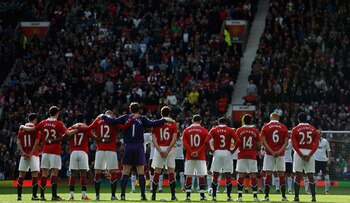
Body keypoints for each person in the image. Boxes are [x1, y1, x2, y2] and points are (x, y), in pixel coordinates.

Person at [102, 102, 172, 200]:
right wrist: (164, 120)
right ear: (139, 110)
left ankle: (122, 195)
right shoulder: (142, 118)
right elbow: (153, 123)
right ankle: (142, 195)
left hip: (129, 146)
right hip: (139, 147)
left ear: (130, 109)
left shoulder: (125, 118)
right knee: (141, 172)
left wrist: (103, 116)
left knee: (126, 171)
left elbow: (113, 121)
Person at [20, 106, 78, 201]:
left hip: (45, 152)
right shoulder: (59, 123)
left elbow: (32, 130)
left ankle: (42, 196)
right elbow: (69, 134)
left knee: (44, 174)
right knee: (54, 173)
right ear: (57, 113)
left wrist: (22, 126)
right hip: (55, 152)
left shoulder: (43, 122)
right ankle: (54, 195)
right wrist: (78, 129)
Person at [77, 110, 137, 200]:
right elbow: (123, 127)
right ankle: (113, 196)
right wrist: (133, 119)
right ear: (111, 115)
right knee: (113, 173)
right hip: (111, 150)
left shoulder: (98, 120)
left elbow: (88, 128)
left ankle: (97, 196)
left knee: (97, 172)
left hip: (100, 150)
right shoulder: (113, 121)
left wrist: (77, 127)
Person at [66, 113, 105, 200]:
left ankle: (71, 196)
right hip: (83, 152)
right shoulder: (86, 128)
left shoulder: (72, 127)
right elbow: (94, 137)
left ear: (76, 119)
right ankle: (83, 196)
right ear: (83, 120)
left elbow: (65, 135)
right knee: (83, 174)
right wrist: (102, 139)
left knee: (72, 174)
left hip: (73, 152)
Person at [151, 106, 178, 200]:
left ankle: (153, 196)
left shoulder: (156, 124)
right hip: (170, 149)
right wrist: (167, 150)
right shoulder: (173, 124)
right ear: (169, 114)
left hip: (159, 148)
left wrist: (160, 150)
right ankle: (173, 196)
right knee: (171, 172)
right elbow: (174, 139)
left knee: (157, 171)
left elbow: (154, 139)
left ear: (161, 114)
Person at [260, 112, 289, 201]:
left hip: (269, 154)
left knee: (268, 174)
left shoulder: (265, 127)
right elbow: (286, 142)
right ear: (278, 118)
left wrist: (271, 151)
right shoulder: (284, 127)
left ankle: (266, 196)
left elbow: (263, 141)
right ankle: (283, 196)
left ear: (270, 117)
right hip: (280, 154)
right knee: (281, 174)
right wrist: (279, 151)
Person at [291, 112, 319, 202]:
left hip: (299, 153)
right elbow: (316, 144)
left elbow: (294, 144)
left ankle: (296, 197)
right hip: (310, 152)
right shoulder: (313, 129)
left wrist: (300, 154)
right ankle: (313, 197)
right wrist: (310, 154)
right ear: (306, 119)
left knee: (298, 175)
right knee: (310, 175)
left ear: (298, 119)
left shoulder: (295, 129)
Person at [207, 117, 236, 201]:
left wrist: (211, 151)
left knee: (215, 175)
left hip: (217, 152)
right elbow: (238, 140)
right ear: (226, 122)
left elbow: (206, 141)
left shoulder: (214, 130)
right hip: (227, 152)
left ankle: (214, 197)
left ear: (218, 122)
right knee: (228, 176)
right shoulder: (230, 130)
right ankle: (228, 197)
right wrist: (233, 150)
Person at [234, 114, 261, 202]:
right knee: (253, 175)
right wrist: (255, 149)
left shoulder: (239, 130)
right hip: (252, 155)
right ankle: (255, 197)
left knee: (241, 175)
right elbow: (259, 145)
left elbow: (236, 142)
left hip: (241, 154)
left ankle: (240, 197)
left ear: (243, 121)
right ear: (251, 121)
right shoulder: (255, 131)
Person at [182, 114, 209, 201]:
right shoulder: (204, 130)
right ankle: (202, 196)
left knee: (189, 176)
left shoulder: (186, 130)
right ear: (200, 121)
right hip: (200, 156)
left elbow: (184, 143)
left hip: (189, 156)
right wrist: (198, 152)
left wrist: (191, 151)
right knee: (201, 176)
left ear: (192, 121)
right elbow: (206, 143)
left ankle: (188, 196)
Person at [16, 113, 40, 200]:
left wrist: (22, 153)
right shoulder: (35, 129)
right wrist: (31, 153)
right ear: (35, 120)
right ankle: (34, 196)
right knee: (34, 175)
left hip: (24, 155)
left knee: (21, 175)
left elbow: (18, 142)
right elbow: (37, 143)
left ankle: (19, 196)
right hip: (33, 155)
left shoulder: (21, 129)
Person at [314, 130, 331, 194]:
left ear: (321, 134)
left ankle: (326, 191)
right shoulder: (314, 141)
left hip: (324, 161)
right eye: (317, 133)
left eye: (319, 133)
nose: (318, 134)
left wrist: (329, 159)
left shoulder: (325, 141)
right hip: (316, 161)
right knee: (315, 176)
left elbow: (329, 150)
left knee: (326, 176)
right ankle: (314, 191)